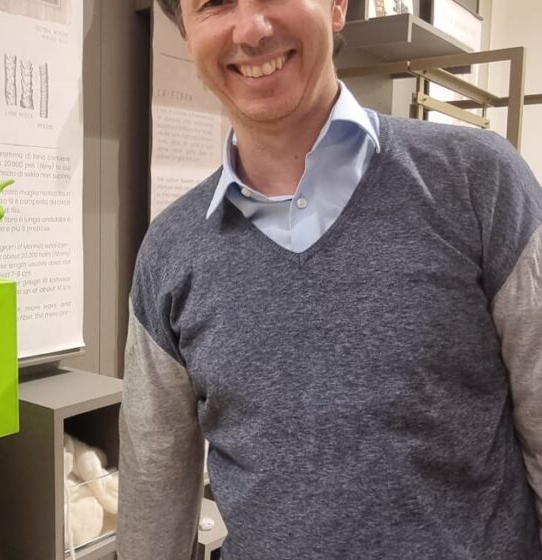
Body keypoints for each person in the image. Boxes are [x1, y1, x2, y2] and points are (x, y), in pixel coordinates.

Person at [117, 0, 542, 558]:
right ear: (188, 37)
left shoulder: (477, 181)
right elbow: (153, 486)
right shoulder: (169, 250)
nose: (251, 29)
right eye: (214, 3)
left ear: (338, 6)